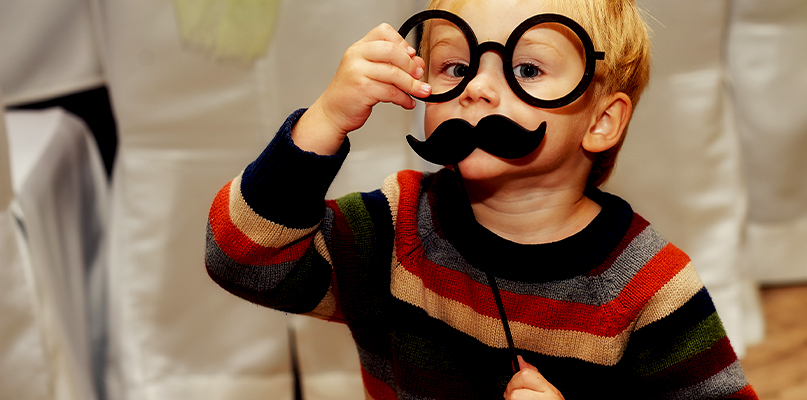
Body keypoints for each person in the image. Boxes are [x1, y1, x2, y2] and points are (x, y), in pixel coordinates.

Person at [205, 0, 758, 398]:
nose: (476, 88)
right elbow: (242, 261)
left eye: (526, 68)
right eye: (456, 65)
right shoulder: (396, 229)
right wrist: (324, 121)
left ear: (602, 121)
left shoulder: (648, 288)